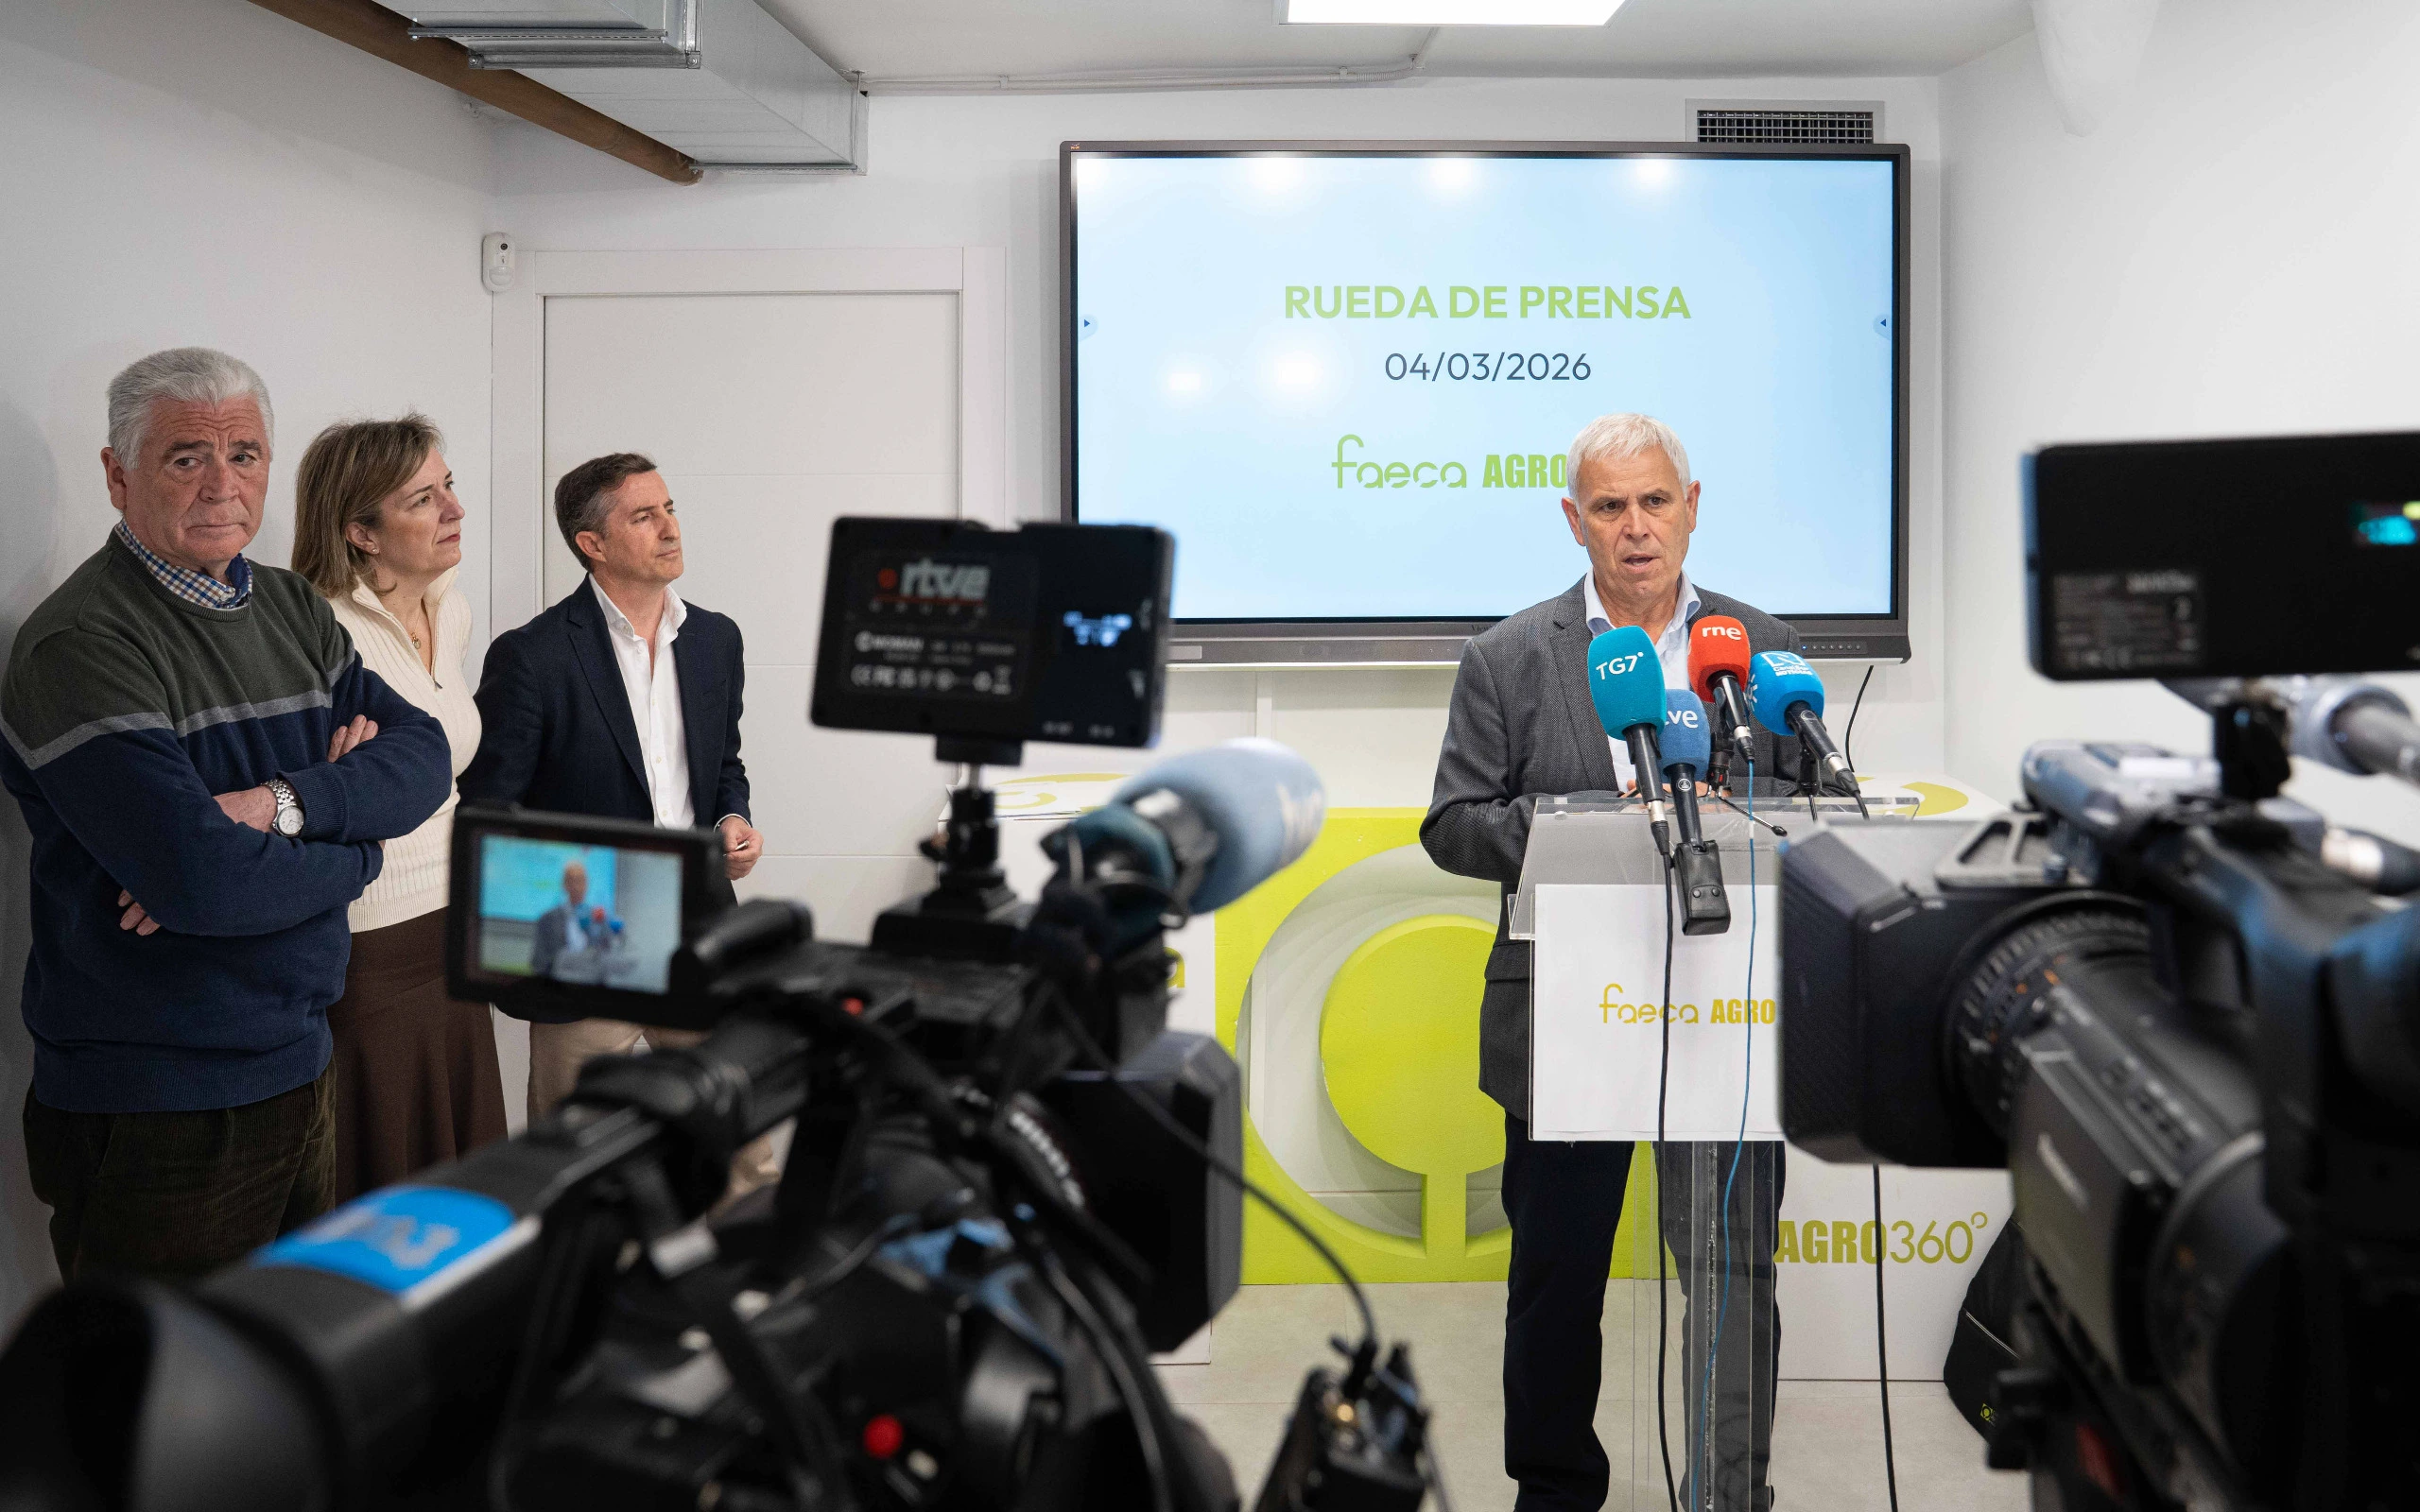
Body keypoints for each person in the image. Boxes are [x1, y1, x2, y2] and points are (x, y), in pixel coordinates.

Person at [0, 349, 451, 1280]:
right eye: (184, 458)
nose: (222, 484)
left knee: (277, 1378)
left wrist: (281, 805)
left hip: (301, 1061)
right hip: (159, 1104)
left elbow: (423, 760)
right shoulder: (82, 643)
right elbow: (200, 879)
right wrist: (358, 849)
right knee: (157, 1402)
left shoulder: (290, 605)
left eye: (245, 454)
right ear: (117, 475)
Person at [1421, 414, 1799, 1512]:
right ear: (1573, 520)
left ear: (1691, 503)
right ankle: (1553, 1490)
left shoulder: (1759, 645)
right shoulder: (1508, 657)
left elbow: (1810, 810)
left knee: (1731, 1280)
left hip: (1723, 1016)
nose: (1635, 529)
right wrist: (1578, 825)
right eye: (1608, 506)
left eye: (1654, 501)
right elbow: (1452, 821)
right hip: (1569, 1013)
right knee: (1556, 1281)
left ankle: (1730, 1492)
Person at [458, 452, 767, 1128]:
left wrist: (732, 817)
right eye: (643, 515)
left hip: (699, 928)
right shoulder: (532, 657)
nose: (669, 528)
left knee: (738, 1140)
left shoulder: (716, 640)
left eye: (670, 508)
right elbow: (487, 812)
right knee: (578, 1158)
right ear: (591, 545)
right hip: (591, 948)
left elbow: (722, 766)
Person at [292, 413, 508, 1202]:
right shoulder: (317, 628)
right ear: (361, 533)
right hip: (369, 943)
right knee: (384, 1171)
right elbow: (329, 793)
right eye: (423, 499)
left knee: (461, 1162)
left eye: (448, 487)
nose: (454, 510)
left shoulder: (452, 611)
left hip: (454, 926)